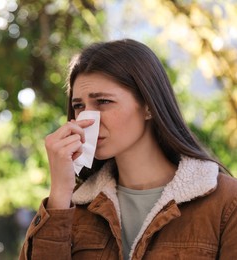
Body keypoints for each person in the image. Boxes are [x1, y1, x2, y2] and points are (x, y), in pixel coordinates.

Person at [18, 39, 237, 260]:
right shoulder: (71, 208)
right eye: (79, 106)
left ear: (149, 106)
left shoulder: (227, 202)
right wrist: (59, 195)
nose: (87, 119)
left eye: (103, 101)